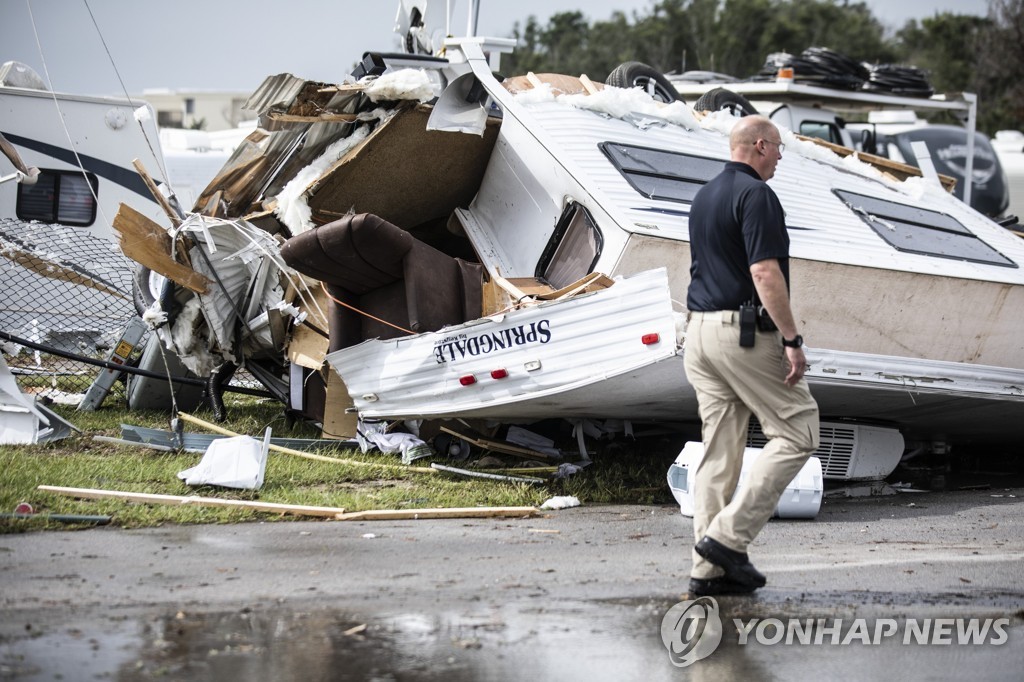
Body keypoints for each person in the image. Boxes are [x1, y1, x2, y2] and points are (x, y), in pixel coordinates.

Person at [683, 115, 820, 597]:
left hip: (697, 334)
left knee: (720, 451)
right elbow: (764, 272)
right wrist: (792, 338)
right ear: (760, 146)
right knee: (798, 430)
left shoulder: (704, 196)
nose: (781, 156)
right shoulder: (757, 195)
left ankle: (708, 571)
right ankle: (726, 540)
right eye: (779, 148)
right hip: (739, 334)